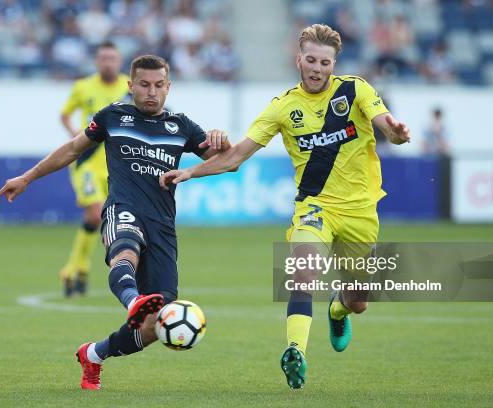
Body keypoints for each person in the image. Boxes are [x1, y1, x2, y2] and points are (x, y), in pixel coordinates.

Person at [159, 24, 411, 390]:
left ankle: (338, 309)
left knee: (358, 301)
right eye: (310, 59)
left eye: (324, 62)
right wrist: (191, 171)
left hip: (360, 212)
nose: (317, 68)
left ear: (333, 64)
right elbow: (235, 157)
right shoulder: (283, 107)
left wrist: (396, 133)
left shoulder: (355, 89)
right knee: (303, 273)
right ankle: (296, 351)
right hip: (314, 209)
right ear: (299, 59)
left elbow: (384, 125)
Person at [0, 55, 229, 390]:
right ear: (130, 85)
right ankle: (133, 301)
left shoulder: (182, 127)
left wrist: (224, 141)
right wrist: (28, 177)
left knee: (154, 327)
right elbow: (73, 149)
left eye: (159, 85)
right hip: (123, 208)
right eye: (144, 85)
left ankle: (94, 354)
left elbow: (228, 161)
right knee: (125, 252)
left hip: (162, 225)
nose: (151, 92)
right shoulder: (113, 116)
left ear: (168, 87)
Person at [59, 41, 130, 297]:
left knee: (92, 219)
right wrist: (76, 137)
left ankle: (73, 268)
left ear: (119, 61)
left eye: (112, 58)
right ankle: (82, 267)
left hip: (116, 164)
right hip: (87, 161)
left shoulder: (129, 87)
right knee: (98, 214)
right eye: (103, 58)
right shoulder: (83, 86)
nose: (107, 62)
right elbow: (65, 114)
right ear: (96, 61)